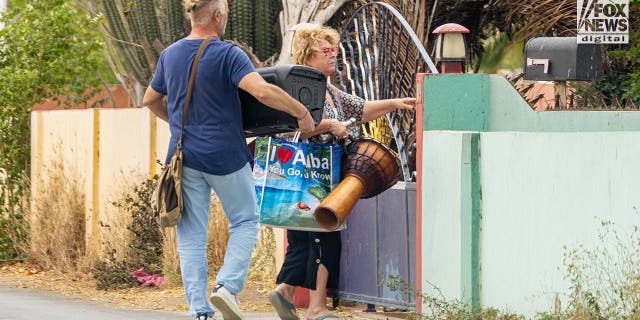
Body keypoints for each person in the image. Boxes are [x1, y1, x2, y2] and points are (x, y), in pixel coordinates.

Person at [142, 0, 314, 319]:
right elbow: (261, 91)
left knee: (191, 236)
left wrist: (179, 124)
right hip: (224, 154)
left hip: (184, 157)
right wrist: (301, 112)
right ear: (218, 15)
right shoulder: (227, 53)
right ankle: (227, 288)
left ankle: (200, 311)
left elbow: (149, 99)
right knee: (245, 220)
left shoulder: (170, 55)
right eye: (227, 13)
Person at [268, 24, 416, 320]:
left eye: (334, 49)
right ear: (309, 55)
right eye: (326, 50)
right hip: (317, 174)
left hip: (302, 176)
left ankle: (284, 291)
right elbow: (293, 127)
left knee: (303, 238)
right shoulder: (304, 88)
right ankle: (316, 307)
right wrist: (330, 127)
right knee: (325, 237)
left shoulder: (328, 89)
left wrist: (394, 104)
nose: (333, 55)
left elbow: (359, 109)